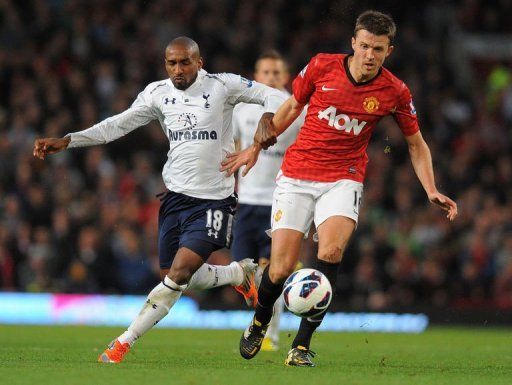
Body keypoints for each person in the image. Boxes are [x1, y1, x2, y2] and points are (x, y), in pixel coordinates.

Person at [222, 10, 458, 367]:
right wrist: (255, 148)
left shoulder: (394, 90)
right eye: (364, 46)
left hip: (344, 178)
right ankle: (259, 320)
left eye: (377, 49)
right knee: (280, 268)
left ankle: (301, 345)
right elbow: (289, 108)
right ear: (353, 43)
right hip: (297, 174)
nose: (369, 55)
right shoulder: (321, 67)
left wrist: (430, 188)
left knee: (330, 253)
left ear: (388, 50)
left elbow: (416, 143)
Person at [33, 36, 286, 364]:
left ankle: (123, 342)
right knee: (179, 275)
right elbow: (117, 125)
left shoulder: (223, 86)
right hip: (175, 200)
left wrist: (268, 116)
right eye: (172, 63)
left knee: (178, 273)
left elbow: (274, 95)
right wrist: (69, 140)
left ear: (200, 61)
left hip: (215, 202)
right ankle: (239, 274)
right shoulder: (157, 93)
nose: (178, 69)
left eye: (185, 62)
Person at [231, 50, 303, 351]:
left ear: (285, 77)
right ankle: (265, 312)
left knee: (270, 271)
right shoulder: (241, 109)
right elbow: (234, 149)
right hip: (246, 202)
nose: (271, 77)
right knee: (242, 270)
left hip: (279, 201)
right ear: (256, 76)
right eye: (265, 72)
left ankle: (270, 332)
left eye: (276, 73)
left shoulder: (299, 110)